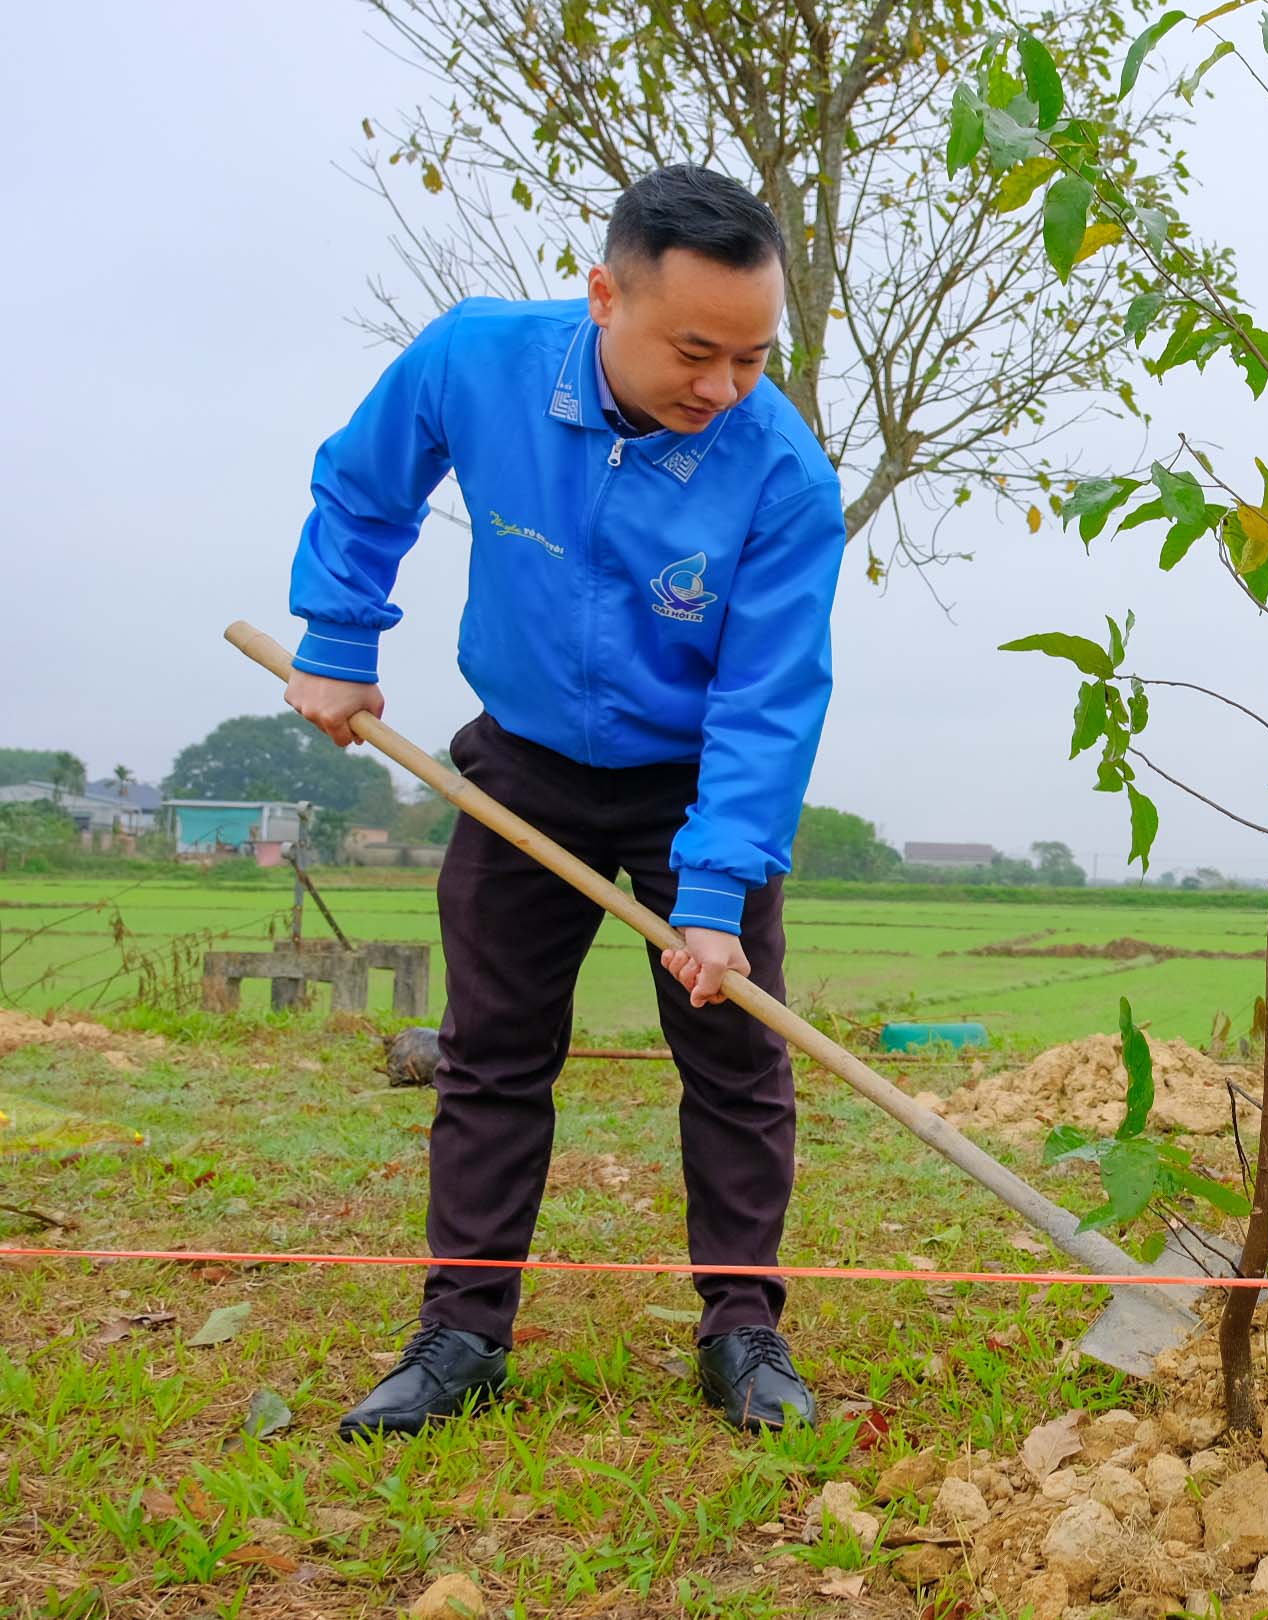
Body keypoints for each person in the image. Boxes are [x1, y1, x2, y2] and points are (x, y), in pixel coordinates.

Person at [281, 165, 846, 1437]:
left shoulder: (781, 475)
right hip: (522, 762)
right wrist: (337, 633)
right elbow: (365, 484)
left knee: (738, 1056)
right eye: (696, 352)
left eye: (753, 358)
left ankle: (742, 1332)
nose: (723, 388)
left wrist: (711, 898)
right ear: (604, 295)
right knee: (492, 1053)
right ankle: (463, 1333)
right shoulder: (474, 359)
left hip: (696, 778)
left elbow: (768, 700)